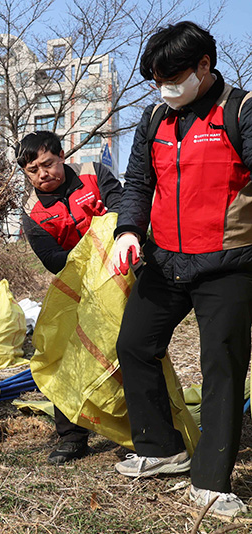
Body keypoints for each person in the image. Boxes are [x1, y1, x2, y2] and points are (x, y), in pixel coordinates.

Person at [110, 21, 252, 517]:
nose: (164, 90)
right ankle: (161, 449)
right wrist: (128, 230)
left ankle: (210, 484)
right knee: (134, 345)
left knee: (221, 366)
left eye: (172, 79)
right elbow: (137, 182)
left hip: (228, 262)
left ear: (203, 66)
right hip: (165, 258)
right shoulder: (154, 119)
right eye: (157, 81)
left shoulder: (240, 110)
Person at [16, 130, 122, 464]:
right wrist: (91, 252)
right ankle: (72, 437)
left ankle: (142, 431)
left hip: (119, 278)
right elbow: (51, 259)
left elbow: (123, 210)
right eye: (33, 170)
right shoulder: (31, 209)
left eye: (48, 164)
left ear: (62, 155)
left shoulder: (94, 173)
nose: (43, 174)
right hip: (73, 287)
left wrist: (107, 234)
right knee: (64, 353)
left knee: (129, 350)